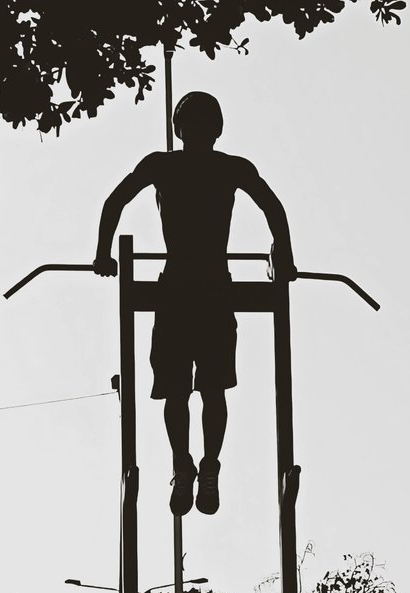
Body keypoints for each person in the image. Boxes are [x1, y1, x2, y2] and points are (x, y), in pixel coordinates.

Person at [93, 91, 296, 516]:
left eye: (207, 122)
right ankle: (184, 466)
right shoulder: (163, 165)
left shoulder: (230, 168)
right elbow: (115, 201)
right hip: (179, 289)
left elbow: (272, 206)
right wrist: (102, 252)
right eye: (193, 122)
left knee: (212, 388)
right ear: (179, 129)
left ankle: (207, 467)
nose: (200, 130)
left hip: (210, 290)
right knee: (176, 391)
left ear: (216, 129)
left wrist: (287, 255)